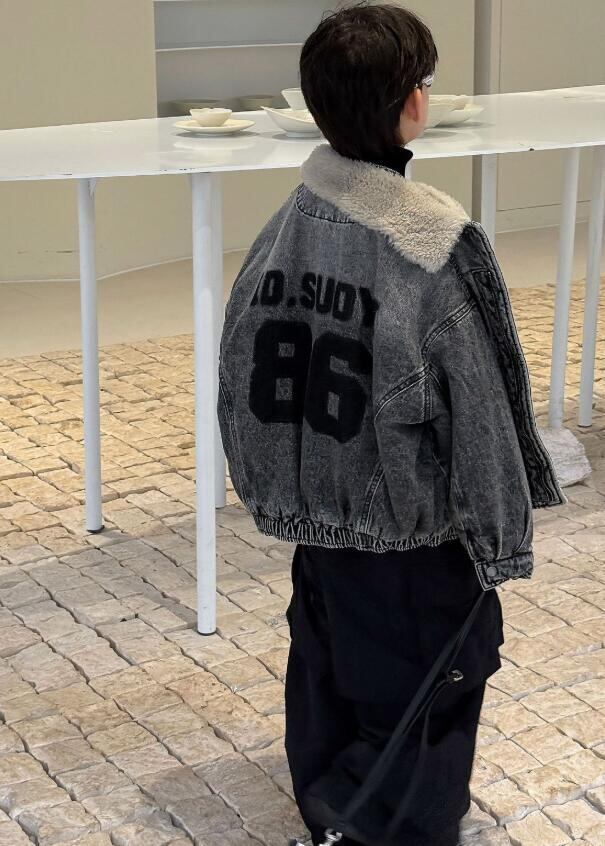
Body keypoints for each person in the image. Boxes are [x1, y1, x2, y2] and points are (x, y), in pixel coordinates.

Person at [217, 5, 563, 845]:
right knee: (431, 683)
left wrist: (279, 495)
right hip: (413, 535)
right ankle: (376, 825)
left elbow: (236, 376)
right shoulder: (433, 247)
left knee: (329, 664)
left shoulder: (283, 229)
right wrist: (498, 539)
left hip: (323, 525)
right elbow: (481, 409)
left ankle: (328, 798)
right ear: (412, 102)